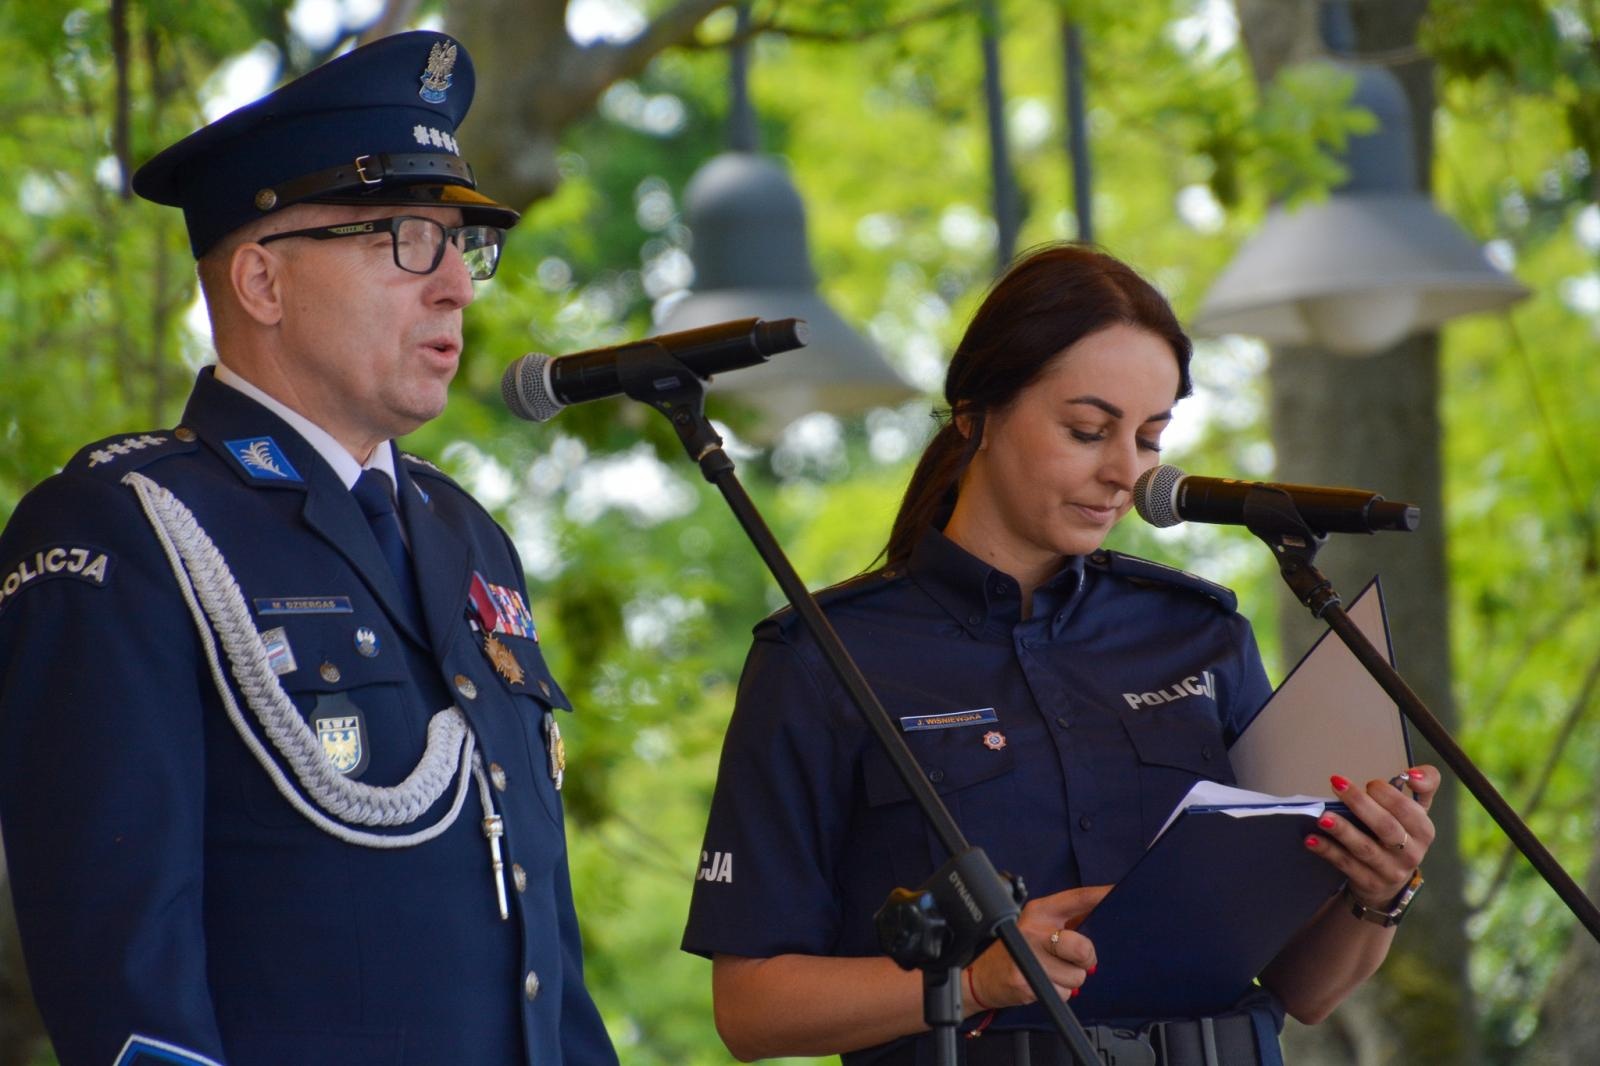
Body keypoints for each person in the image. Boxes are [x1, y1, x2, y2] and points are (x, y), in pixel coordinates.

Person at [0, 32, 616, 1066]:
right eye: (407, 239)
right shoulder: (123, 527)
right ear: (260, 281)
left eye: (463, 246)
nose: (456, 287)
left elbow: (543, 953)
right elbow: (123, 976)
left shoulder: (469, 535)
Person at [681, 243, 1438, 1065]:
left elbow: (1304, 990)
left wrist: (1376, 892)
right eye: (1087, 430)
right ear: (976, 412)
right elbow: (750, 1009)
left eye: (1150, 438)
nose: (1124, 472)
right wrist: (973, 984)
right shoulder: (823, 656)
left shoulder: (1200, 632)